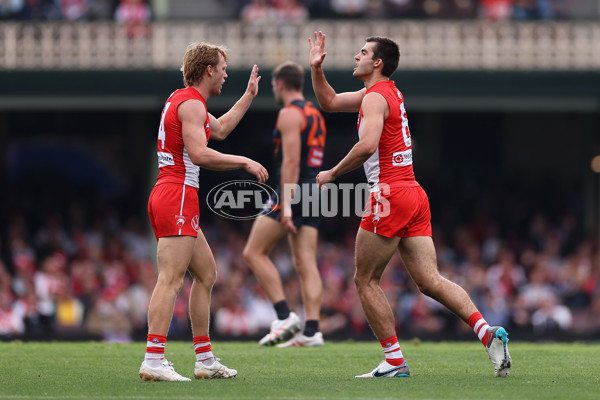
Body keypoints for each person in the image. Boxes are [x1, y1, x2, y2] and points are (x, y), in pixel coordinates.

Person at [308, 31, 511, 378]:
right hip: (413, 192)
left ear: (377, 62)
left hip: (388, 193)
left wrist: (333, 172)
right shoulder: (386, 93)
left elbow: (368, 145)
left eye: (362, 52)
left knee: (365, 280)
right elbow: (328, 101)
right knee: (429, 280)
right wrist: (316, 69)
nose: (356, 57)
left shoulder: (373, 98)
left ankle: (394, 360)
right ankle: (486, 332)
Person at [139, 42, 268, 382]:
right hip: (178, 193)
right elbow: (199, 153)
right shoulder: (192, 105)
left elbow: (221, 130)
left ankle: (205, 360)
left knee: (207, 275)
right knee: (170, 279)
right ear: (209, 69)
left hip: (172, 193)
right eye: (223, 68)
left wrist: (249, 95)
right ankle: (153, 359)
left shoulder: (183, 99)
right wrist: (244, 161)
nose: (226, 74)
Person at [243, 61, 326, 347]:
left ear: (280, 84)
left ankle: (283, 315)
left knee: (254, 252)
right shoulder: (315, 112)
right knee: (306, 261)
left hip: (293, 189)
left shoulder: (289, 114)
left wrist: (287, 204)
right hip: (314, 189)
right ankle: (313, 331)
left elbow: (290, 161)